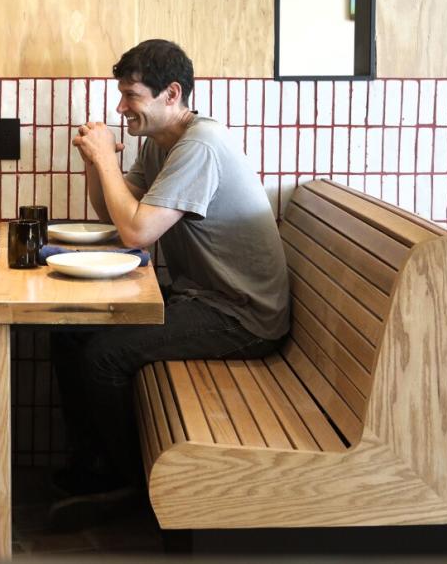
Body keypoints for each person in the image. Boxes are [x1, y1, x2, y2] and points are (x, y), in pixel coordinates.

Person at [49, 39, 290, 529]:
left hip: (241, 315)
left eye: (132, 96)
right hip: (204, 300)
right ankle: (94, 464)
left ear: (171, 94)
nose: (121, 107)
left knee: (103, 356)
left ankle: (136, 485)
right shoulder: (162, 145)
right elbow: (118, 215)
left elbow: (137, 231)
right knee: (69, 330)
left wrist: (108, 163)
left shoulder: (198, 146)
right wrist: (98, 163)